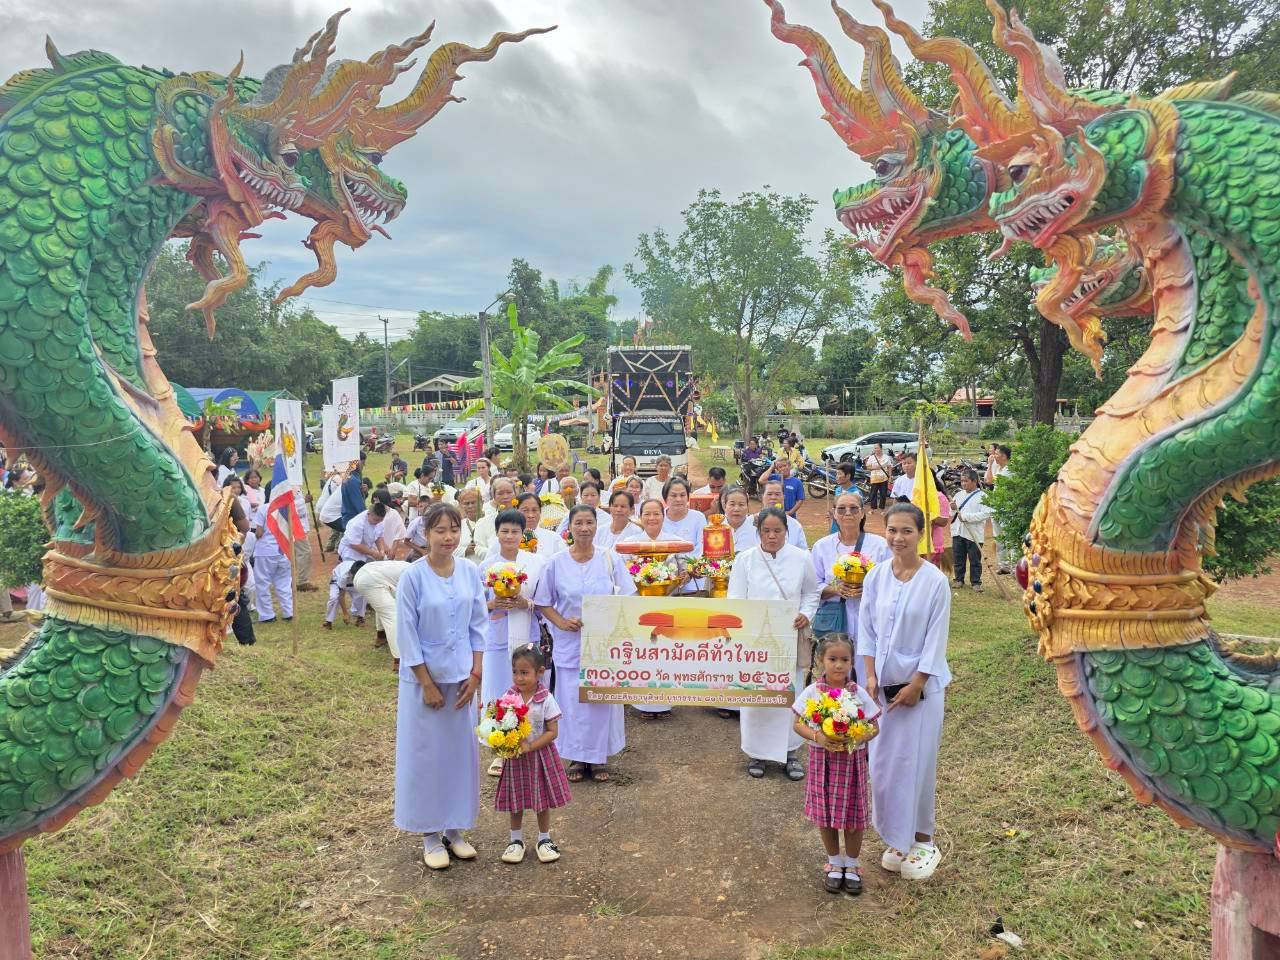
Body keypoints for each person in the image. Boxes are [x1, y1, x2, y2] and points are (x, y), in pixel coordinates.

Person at [858, 503, 952, 882]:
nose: (898, 538)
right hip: (882, 691)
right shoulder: (876, 577)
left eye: (906, 531)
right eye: (892, 530)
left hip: (921, 693)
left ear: (920, 533)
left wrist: (918, 683)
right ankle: (897, 838)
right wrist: (868, 677)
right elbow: (866, 630)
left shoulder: (935, 582)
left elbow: (936, 638)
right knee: (883, 767)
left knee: (917, 765)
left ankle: (923, 840)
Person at [393, 502, 487, 871]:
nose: (448, 538)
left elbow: (479, 626)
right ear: (425, 534)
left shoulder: (469, 572)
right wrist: (426, 683)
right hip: (424, 684)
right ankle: (429, 834)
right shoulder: (413, 577)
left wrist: (477, 674)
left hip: (462, 680)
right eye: (440, 531)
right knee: (427, 757)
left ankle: (454, 828)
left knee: (459, 757)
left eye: (454, 530)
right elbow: (407, 634)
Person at [533, 505, 636, 782]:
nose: (584, 528)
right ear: (569, 528)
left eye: (589, 522)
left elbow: (628, 596)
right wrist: (562, 622)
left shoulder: (609, 559)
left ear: (595, 525)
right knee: (573, 701)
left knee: (601, 700)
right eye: (578, 523)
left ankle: (599, 757)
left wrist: (611, 621)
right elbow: (544, 601)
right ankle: (578, 758)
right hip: (569, 643)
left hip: (603, 644)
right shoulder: (555, 562)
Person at [728, 507, 820, 781]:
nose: (771, 536)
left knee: (789, 697)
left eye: (777, 531)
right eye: (766, 531)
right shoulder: (745, 560)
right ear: (758, 532)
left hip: (789, 640)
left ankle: (791, 753)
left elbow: (811, 593)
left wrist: (806, 614)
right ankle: (756, 752)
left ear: (786, 531)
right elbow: (735, 599)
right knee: (757, 697)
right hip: (755, 644)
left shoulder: (802, 558)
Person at [792, 634, 880, 895]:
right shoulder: (813, 693)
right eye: (832, 659)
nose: (839, 665)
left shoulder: (858, 694)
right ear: (821, 660)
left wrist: (854, 736)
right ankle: (833, 862)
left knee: (853, 816)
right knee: (826, 814)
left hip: (851, 763)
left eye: (845, 660)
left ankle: (852, 864)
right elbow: (797, 723)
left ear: (852, 662)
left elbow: (873, 727)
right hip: (823, 762)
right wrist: (818, 736)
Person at [479, 509, 547, 778]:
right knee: (497, 692)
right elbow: (476, 607)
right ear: (496, 533)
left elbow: (544, 605)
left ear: (523, 534)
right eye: (504, 531)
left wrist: (525, 603)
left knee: (525, 693)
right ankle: (499, 750)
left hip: (525, 636)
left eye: (515, 531)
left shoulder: (536, 564)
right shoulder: (485, 567)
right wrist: (493, 603)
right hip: (496, 637)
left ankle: (525, 747)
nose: (509, 536)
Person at [494, 643, 572, 865]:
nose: (519, 678)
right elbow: (499, 722)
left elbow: (552, 732)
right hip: (515, 757)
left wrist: (531, 746)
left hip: (540, 758)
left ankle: (544, 839)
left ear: (540, 672)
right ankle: (515, 840)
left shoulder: (545, 699)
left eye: (524, 672)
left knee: (541, 800)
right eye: (515, 672)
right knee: (515, 799)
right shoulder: (509, 697)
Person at [811, 492, 890, 687]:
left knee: (867, 668)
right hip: (837, 619)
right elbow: (812, 586)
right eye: (842, 509)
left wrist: (868, 590)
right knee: (837, 669)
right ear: (834, 514)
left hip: (871, 617)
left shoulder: (879, 545)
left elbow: (890, 582)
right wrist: (836, 589)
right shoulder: (822, 547)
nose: (848, 513)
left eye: (854, 508)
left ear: (862, 513)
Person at [350, 560, 411, 670]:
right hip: (370, 578)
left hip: (365, 575)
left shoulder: (412, 567)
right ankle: (399, 660)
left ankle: (381, 636)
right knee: (392, 615)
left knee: (383, 607)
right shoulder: (422, 574)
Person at [338, 501, 390, 626]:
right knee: (358, 582)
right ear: (369, 514)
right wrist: (373, 553)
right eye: (375, 519)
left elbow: (379, 537)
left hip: (368, 549)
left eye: (379, 520)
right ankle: (358, 613)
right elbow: (354, 544)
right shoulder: (357, 523)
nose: (377, 522)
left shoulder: (379, 521)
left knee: (382, 567)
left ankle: (371, 602)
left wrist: (381, 551)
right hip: (351, 553)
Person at [251, 492, 294, 624]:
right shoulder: (287, 507)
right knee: (284, 583)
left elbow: (258, 532)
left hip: (265, 551)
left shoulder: (264, 508)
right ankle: (288, 612)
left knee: (262, 583)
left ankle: (267, 615)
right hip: (284, 550)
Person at [951, 468, 992, 591]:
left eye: (966, 481)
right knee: (958, 557)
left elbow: (986, 514)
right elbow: (952, 513)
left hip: (973, 533)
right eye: (962, 481)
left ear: (974, 481)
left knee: (975, 559)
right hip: (958, 531)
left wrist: (966, 517)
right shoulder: (958, 495)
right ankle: (958, 579)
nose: (963, 483)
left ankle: (975, 582)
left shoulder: (983, 496)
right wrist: (952, 508)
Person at [985, 444, 1015, 572]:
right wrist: (990, 465)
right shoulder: (1000, 469)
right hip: (997, 508)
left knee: (1009, 538)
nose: (994, 456)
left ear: (1003, 456)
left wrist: (990, 464)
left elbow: (989, 481)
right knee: (999, 538)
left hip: (1006, 510)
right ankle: (1004, 565)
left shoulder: (1010, 471)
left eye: (996, 454)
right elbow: (988, 480)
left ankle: (1014, 566)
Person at [473, 477, 518, 558]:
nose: (505, 496)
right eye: (500, 493)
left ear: (515, 493)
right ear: (493, 496)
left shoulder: (524, 520)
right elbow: (478, 548)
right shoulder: (483, 522)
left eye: (509, 492)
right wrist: (501, 555)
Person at [515, 492, 567, 557]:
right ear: (516, 511)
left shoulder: (553, 538)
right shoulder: (510, 538)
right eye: (525, 510)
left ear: (540, 511)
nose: (530, 515)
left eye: (534, 510)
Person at [760, 479, 807, 548]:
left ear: (783, 497)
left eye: (777, 494)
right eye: (769, 494)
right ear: (762, 497)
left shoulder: (795, 525)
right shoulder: (751, 522)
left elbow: (804, 552)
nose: (773, 497)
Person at [717, 486, 757, 552]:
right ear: (725, 506)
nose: (736, 509)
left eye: (741, 505)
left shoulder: (755, 527)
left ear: (747, 506)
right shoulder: (714, 527)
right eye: (732, 504)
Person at [292, 485, 316, 592]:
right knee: (304, 552)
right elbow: (286, 505)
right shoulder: (286, 484)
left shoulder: (296, 484)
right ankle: (302, 582)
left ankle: (291, 580)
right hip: (294, 524)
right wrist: (304, 501)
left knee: (295, 553)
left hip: (299, 524)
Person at [453, 487, 482, 562]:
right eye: (466, 503)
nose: (470, 506)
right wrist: (465, 551)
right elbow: (451, 550)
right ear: (461, 505)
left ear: (482, 502)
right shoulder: (458, 526)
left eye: (473, 502)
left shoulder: (490, 522)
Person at [829, 462, 859, 533]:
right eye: (836, 474)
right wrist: (832, 515)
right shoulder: (838, 490)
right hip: (835, 529)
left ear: (848, 476)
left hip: (848, 531)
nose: (836, 476)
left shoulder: (856, 494)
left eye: (839, 474)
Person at [864, 443, 892, 512]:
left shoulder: (886, 457)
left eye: (877, 448)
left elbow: (889, 467)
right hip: (874, 478)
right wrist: (875, 468)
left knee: (883, 494)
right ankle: (872, 509)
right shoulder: (871, 457)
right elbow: (868, 467)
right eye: (874, 448)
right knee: (873, 494)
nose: (875, 449)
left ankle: (882, 509)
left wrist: (890, 476)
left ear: (881, 448)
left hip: (884, 478)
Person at [341, 454, 367, 527]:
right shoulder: (352, 480)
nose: (363, 466)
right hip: (353, 520)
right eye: (363, 463)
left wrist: (364, 492)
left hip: (351, 519)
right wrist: (367, 519)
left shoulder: (352, 477)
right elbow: (359, 504)